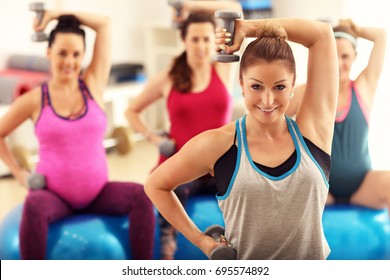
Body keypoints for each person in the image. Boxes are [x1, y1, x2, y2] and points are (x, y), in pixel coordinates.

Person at [144, 17, 338, 260]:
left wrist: (247, 28)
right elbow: (156, 185)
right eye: (257, 87)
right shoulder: (220, 144)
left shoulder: (313, 133)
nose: (268, 101)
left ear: (292, 86)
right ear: (241, 84)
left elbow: (321, 34)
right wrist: (202, 242)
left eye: (279, 87)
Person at [0, 10, 155, 260]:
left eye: (76, 54)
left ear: (83, 56)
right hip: (54, 197)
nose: (69, 61)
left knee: (141, 196)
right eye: (62, 53)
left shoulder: (93, 84)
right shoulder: (34, 99)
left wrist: (53, 15)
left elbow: (104, 24)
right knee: (34, 206)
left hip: (97, 194)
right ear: (48, 52)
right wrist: (19, 173)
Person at [125, 1, 242, 259]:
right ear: (184, 40)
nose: (201, 46)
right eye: (195, 39)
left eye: (206, 39)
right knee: (173, 189)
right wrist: (154, 138)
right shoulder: (169, 77)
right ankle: (168, 250)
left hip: (218, 164)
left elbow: (233, 7)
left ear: (214, 41)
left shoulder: (222, 68)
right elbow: (131, 111)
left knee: (248, 186)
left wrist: (187, 4)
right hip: (182, 164)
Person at [287, 20, 389, 209]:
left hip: (362, 186)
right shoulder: (308, 91)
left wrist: (354, 28)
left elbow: (381, 36)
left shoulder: (363, 87)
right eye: (334, 56)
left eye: (345, 56)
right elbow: (274, 121)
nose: (340, 63)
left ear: (355, 57)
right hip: (324, 189)